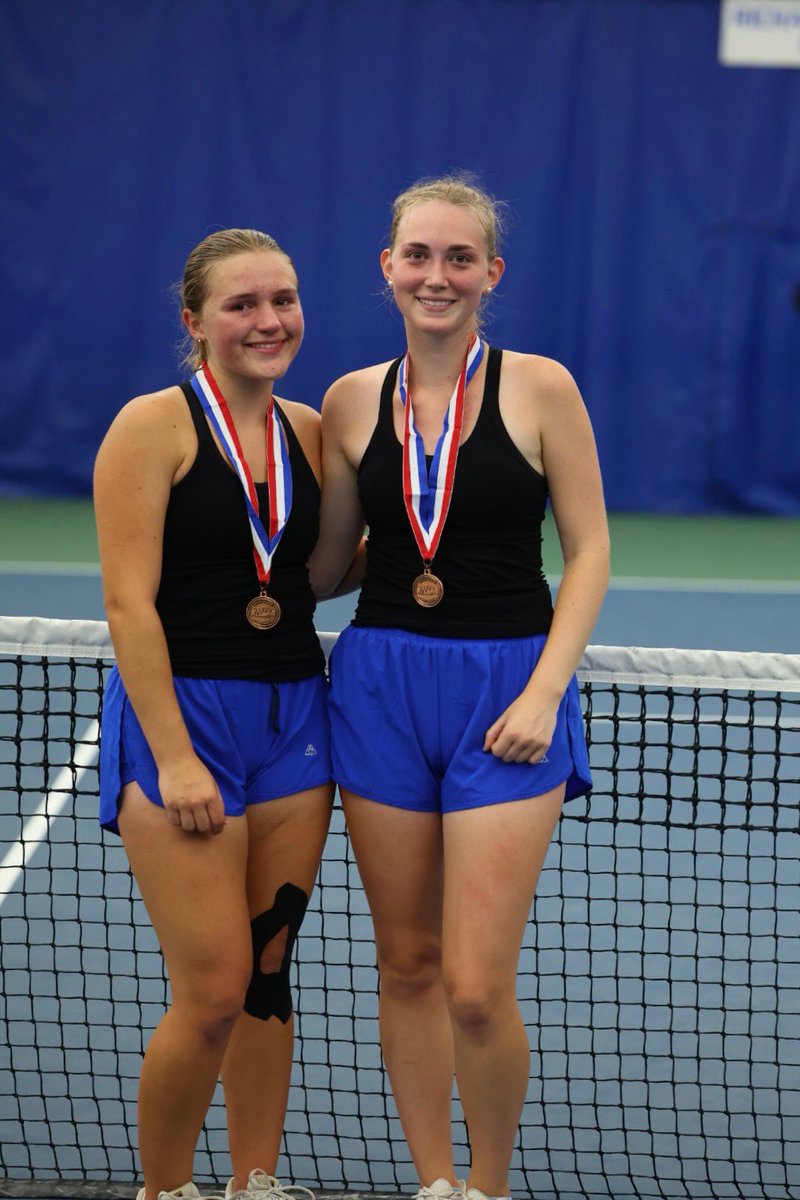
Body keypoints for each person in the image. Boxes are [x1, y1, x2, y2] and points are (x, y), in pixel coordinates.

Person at [309, 176, 610, 1200]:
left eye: (458, 258)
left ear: (490, 273)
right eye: (418, 255)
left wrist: (544, 693)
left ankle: (487, 1187)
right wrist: (212, 579)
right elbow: (330, 562)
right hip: (378, 689)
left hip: (508, 693)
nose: (436, 275)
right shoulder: (349, 400)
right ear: (386, 268)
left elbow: (590, 553)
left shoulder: (542, 388)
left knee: (476, 986)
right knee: (406, 963)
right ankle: (434, 1185)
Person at [94, 229, 333, 1200]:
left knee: (267, 970)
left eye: (282, 299)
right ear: (195, 321)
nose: (268, 321)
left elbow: (316, 570)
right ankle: (164, 1190)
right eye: (241, 305)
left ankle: (254, 1182)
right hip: (183, 724)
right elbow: (127, 604)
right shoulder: (150, 426)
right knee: (211, 990)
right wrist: (175, 755)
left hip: (295, 725)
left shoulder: (311, 430)